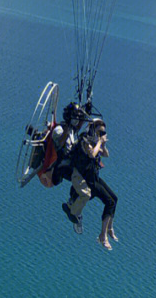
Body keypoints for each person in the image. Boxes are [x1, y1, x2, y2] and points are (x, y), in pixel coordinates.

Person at [63, 115, 118, 249]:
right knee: (108, 201)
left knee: (114, 199)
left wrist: (102, 144)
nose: (101, 135)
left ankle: (110, 228)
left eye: (103, 132)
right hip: (86, 180)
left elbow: (105, 154)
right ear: (93, 130)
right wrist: (99, 142)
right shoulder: (85, 141)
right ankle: (102, 235)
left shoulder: (94, 141)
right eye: (99, 132)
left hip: (93, 177)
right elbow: (92, 154)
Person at [39, 100, 86, 188]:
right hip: (60, 167)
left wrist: (84, 114)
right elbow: (60, 144)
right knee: (84, 180)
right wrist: (67, 127)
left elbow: (78, 127)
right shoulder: (59, 130)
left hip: (69, 162)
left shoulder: (71, 129)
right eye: (75, 118)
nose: (77, 120)